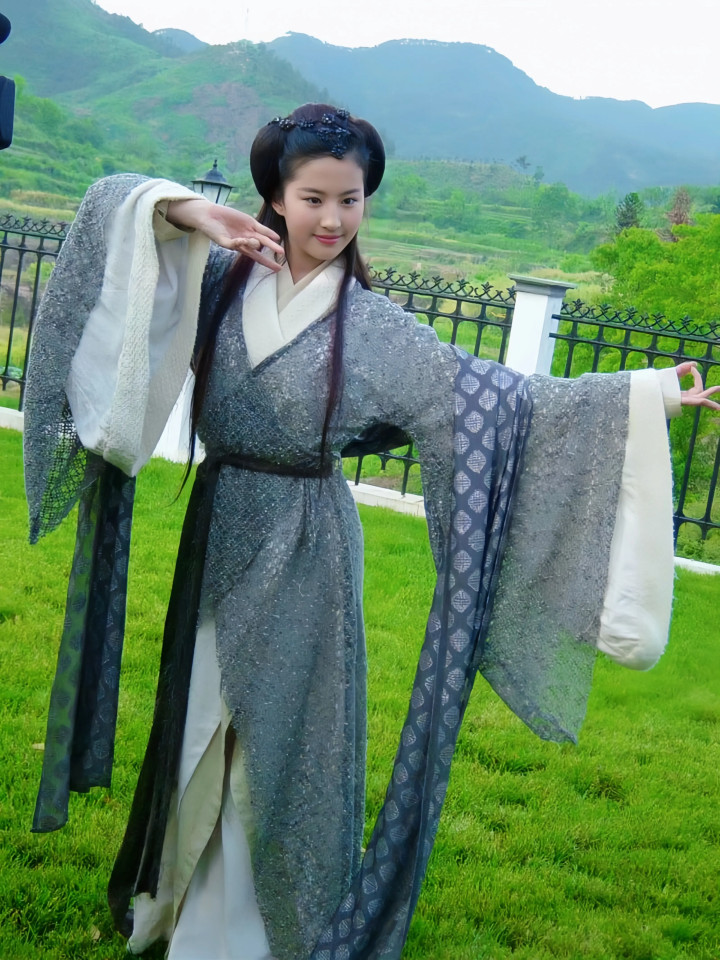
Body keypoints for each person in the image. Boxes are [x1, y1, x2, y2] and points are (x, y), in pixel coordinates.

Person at [24, 104, 719, 960]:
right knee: (203, 711)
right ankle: (177, 901)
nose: (332, 219)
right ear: (276, 196)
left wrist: (649, 394)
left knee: (282, 735)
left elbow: (504, 401)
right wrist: (193, 211)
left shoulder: (378, 329)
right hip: (219, 524)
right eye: (312, 198)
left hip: (306, 544)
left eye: (350, 200)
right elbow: (113, 211)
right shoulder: (224, 278)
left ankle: (250, 931)